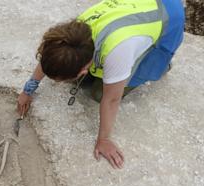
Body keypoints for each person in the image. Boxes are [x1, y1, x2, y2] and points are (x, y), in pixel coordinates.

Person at [17, 0, 184, 169]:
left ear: (83, 70)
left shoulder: (119, 51)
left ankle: (161, 66)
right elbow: (51, 59)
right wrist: (28, 89)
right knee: (91, 80)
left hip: (168, 15)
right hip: (138, 6)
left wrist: (103, 139)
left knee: (99, 93)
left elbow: (111, 100)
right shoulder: (71, 36)